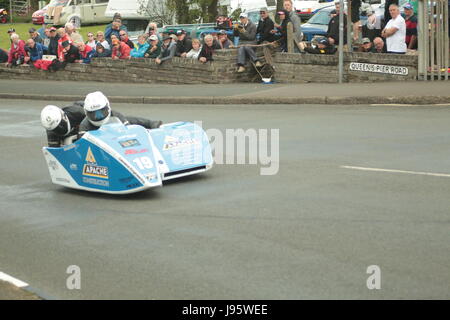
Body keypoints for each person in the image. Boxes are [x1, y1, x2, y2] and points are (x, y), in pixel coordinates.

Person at [79, 92, 162, 134]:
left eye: (101, 112)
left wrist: (151, 124)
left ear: (108, 107)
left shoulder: (116, 115)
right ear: (86, 113)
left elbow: (129, 130)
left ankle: (151, 122)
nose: (98, 117)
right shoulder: (84, 126)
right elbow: (81, 146)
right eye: (93, 114)